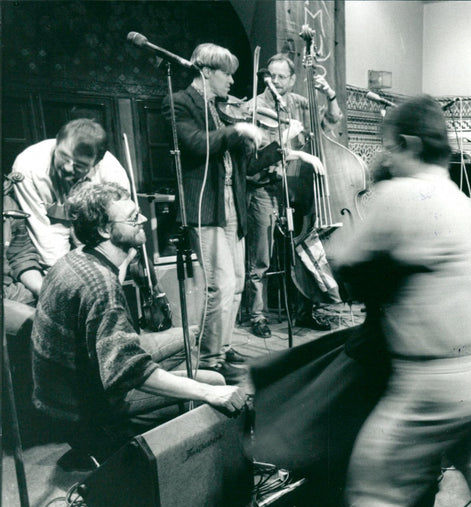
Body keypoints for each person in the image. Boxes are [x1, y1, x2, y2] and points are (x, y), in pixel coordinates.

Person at [335, 95, 471, 507]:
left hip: (431, 379)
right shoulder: (467, 204)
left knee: (369, 497)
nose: (386, 155)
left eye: (388, 147)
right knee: (467, 449)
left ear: (409, 144)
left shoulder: (398, 195)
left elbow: (341, 261)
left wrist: (377, 179)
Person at [31, 181, 245, 463]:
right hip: (80, 409)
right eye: (133, 218)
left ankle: (169, 410)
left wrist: (125, 257)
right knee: (213, 382)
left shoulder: (75, 259)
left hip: (62, 391)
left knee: (189, 335)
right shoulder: (100, 288)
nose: (144, 218)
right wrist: (211, 394)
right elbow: (127, 371)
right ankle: (121, 439)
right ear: (105, 230)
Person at [165, 43, 313, 381]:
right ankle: (208, 360)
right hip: (207, 206)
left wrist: (281, 146)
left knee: (237, 283)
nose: (232, 82)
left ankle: (224, 347)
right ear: (206, 71)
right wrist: (237, 130)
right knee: (220, 284)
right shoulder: (179, 103)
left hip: (233, 203)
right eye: (227, 74)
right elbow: (195, 144)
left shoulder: (220, 109)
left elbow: (247, 165)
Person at [244, 53, 343, 333]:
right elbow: (255, 154)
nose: (275, 81)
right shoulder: (254, 107)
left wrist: (330, 96)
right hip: (264, 187)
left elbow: (331, 122)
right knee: (261, 258)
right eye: (271, 76)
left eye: (281, 76)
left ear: (292, 79)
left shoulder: (299, 103)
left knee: (300, 252)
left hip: (295, 189)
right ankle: (257, 317)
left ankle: (304, 310)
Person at [8, 118, 130, 296]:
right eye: (63, 156)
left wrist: (109, 285)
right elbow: (43, 232)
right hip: (50, 237)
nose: (66, 168)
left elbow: (116, 237)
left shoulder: (112, 174)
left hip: (98, 236)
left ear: (96, 163)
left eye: (79, 166)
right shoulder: (27, 166)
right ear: (57, 141)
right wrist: (63, 285)